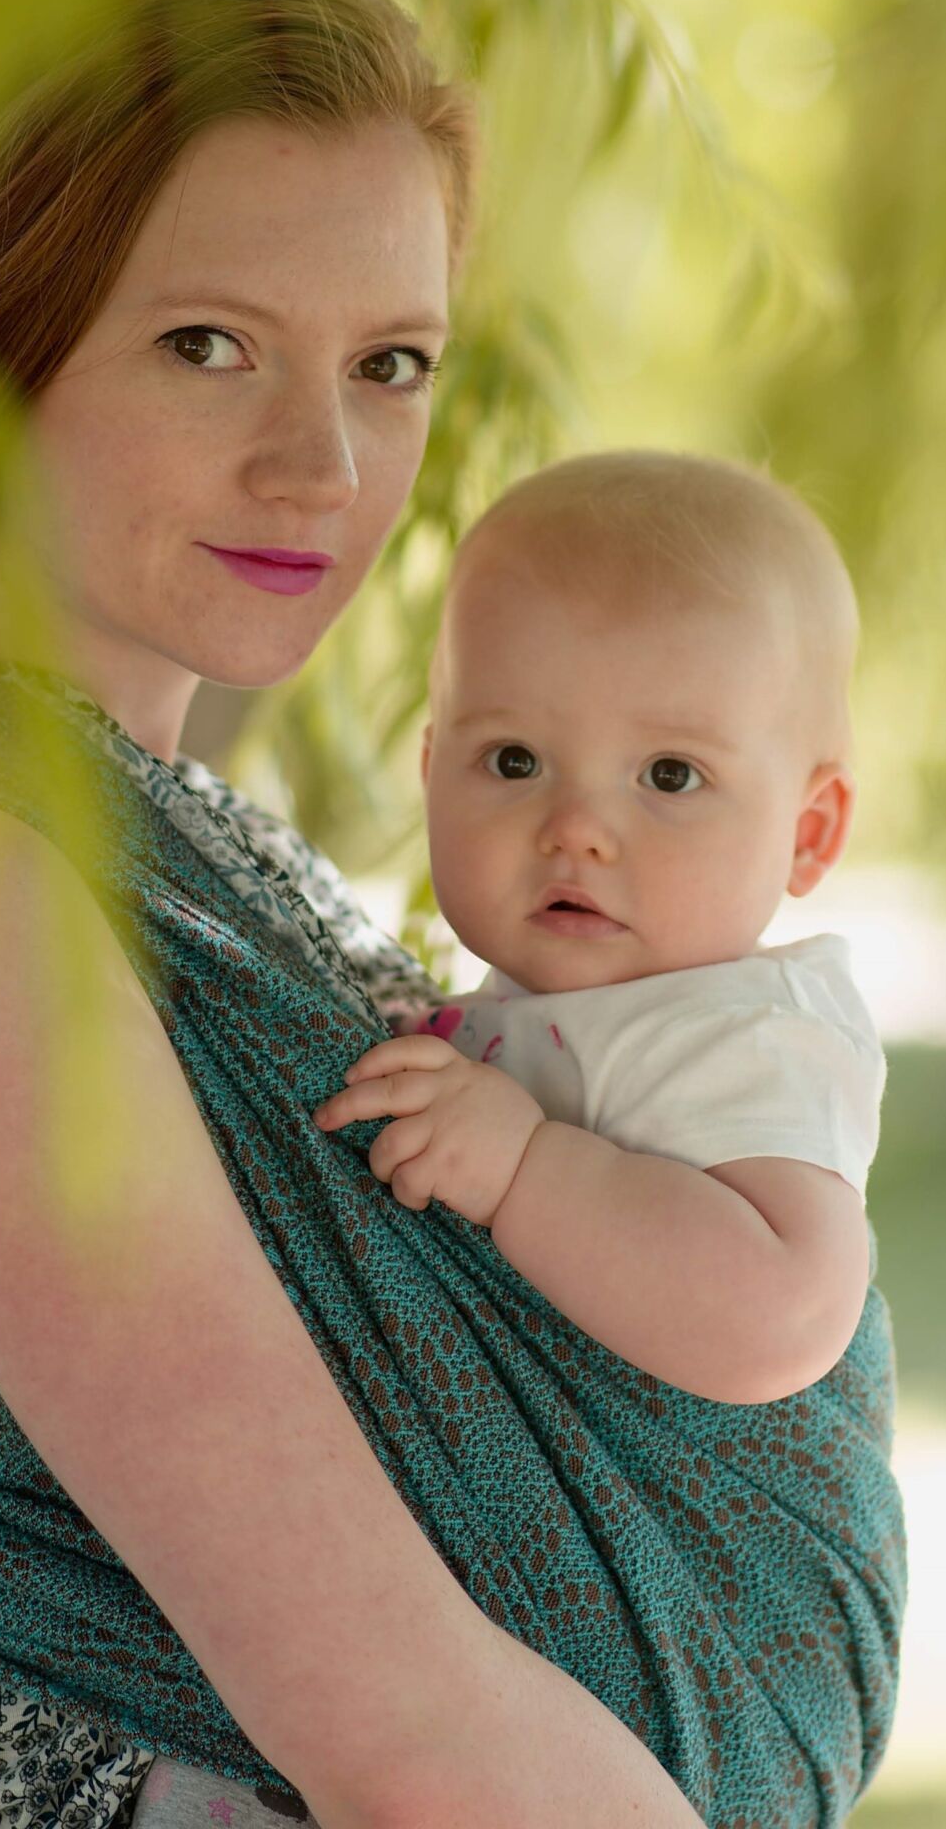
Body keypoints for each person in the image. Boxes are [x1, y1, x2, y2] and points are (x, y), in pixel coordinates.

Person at [0, 0, 902, 1829]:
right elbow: (396, 1727)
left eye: (389, 364)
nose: (322, 463)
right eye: (208, 345)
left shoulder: (116, 829)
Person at [313, 451, 884, 1409]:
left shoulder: (751, 1038)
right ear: (429, 773)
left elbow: (783, 1316)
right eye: (513, 760)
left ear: (807, 832)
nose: (573, 828)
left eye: (669, 775)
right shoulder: (533, 1003)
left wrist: (522, 1168)